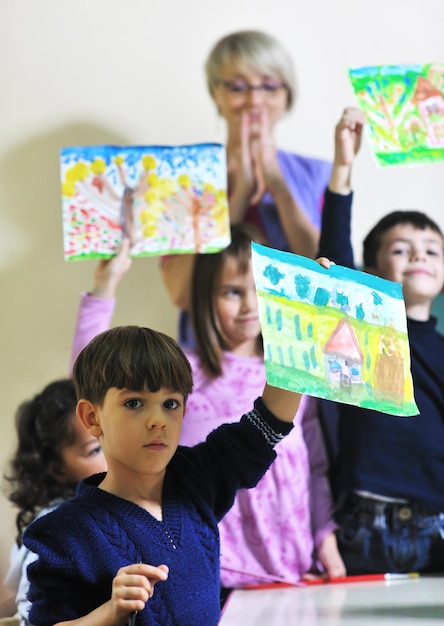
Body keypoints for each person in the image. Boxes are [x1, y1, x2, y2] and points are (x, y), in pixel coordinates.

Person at [23, 324, 306, 626]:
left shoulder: (196, 478)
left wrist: (298, 314)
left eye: (170, 404)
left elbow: (268, 424)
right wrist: (110, 612)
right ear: (92, 418)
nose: (158, 420)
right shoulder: (65, 532)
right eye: (134, 403)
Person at [181, 222, 345, 587]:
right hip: (213, 576)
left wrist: (325, 539)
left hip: (291, 573)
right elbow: (96, 384)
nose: (250, 305)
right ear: (204, 296)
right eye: (232, 292)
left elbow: (316, 468)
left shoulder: (295, 373)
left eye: (259, 289)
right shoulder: (180, 372)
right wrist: (106, 286)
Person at [318, 106, 444, 574]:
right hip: (365, 521)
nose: (419, 255)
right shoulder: (362, 326)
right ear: (372, 270)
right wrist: (343, 166)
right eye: (400, 248)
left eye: (432, 250)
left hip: (437, 523)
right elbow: (332, 254)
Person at [160, 29, 332, 348]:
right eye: (238, 87)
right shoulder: (184, 179)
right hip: (211, 359)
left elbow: (328, 279)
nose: (254, 101)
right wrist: (238, 194)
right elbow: (182, 292)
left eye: (269, 86)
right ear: (216, 93)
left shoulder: (318, 175)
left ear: (287, 96)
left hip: (301, 350)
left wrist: (278, 185)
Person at [2, 378, 107, 625]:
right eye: (95, 449)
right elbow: (31, 614)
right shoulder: (58, 528)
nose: (114, 450)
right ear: (58, 469)